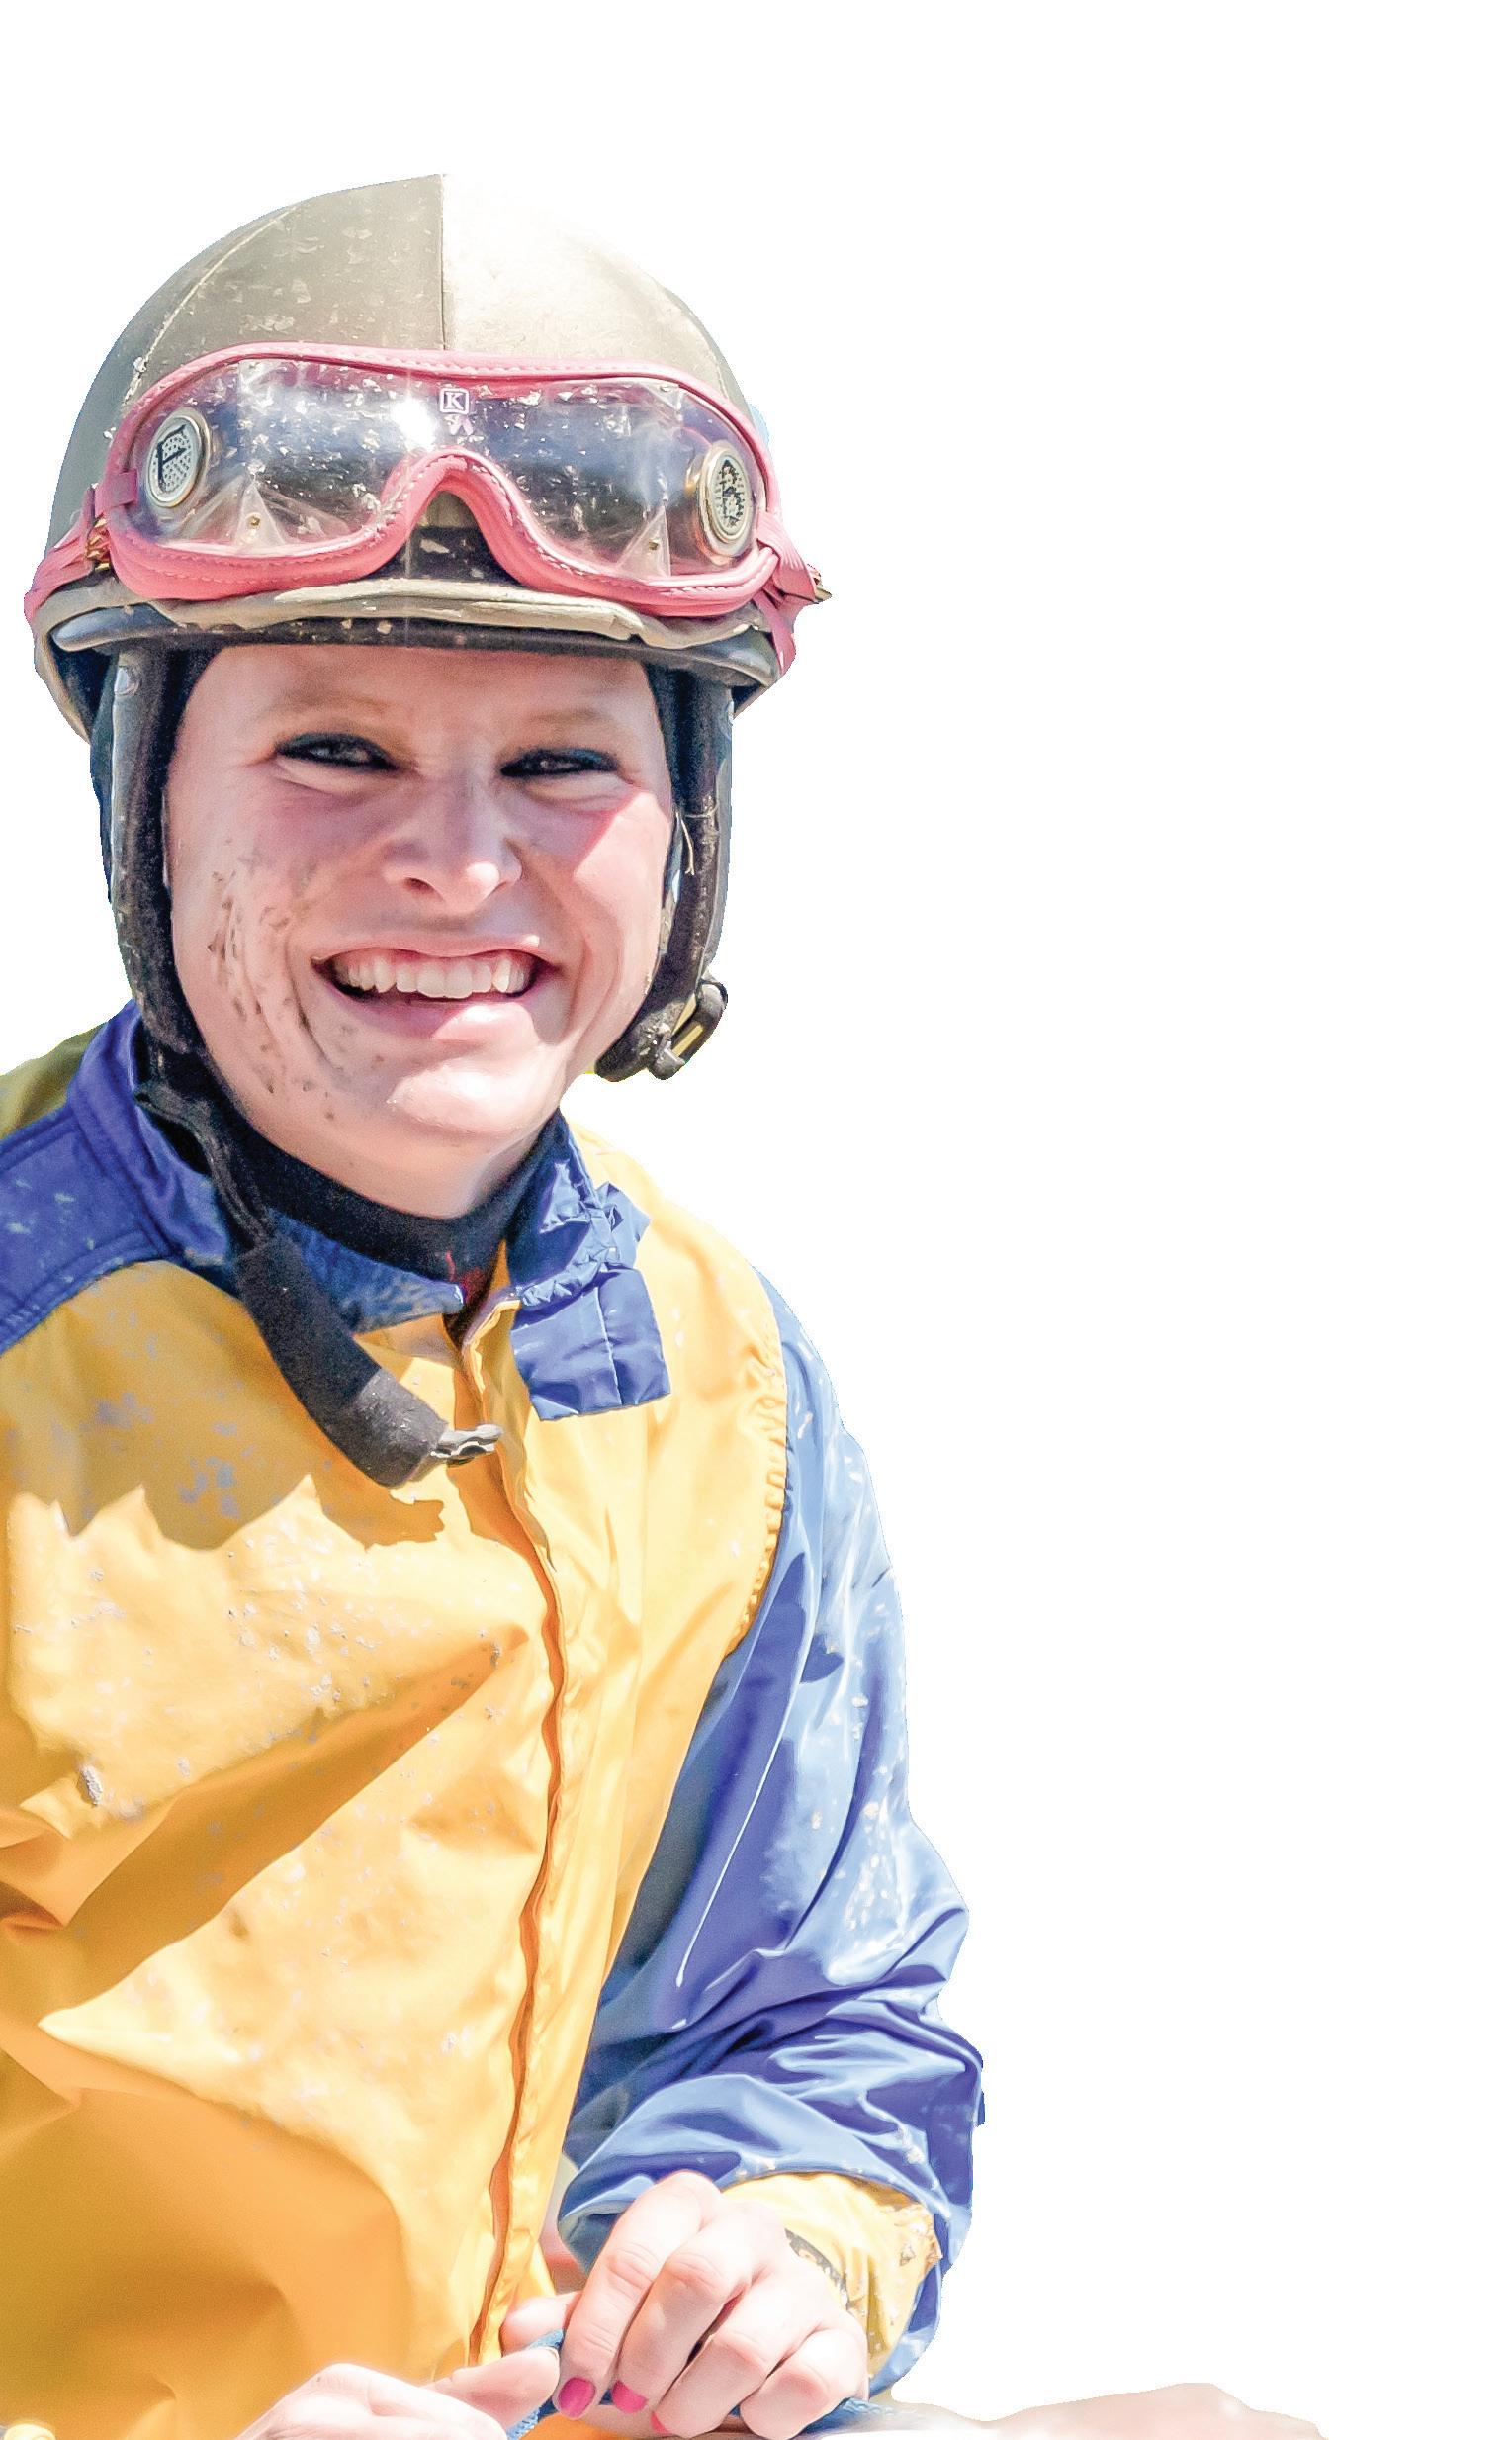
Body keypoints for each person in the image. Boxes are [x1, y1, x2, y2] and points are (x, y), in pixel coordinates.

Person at [1, 175, 978, 2440]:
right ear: (149, 802)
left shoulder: (719, 1380)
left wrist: (774, 2247)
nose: (455, 864)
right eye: (331, 750)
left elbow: (806, 2016)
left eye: (560, 763)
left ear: (682, 827)